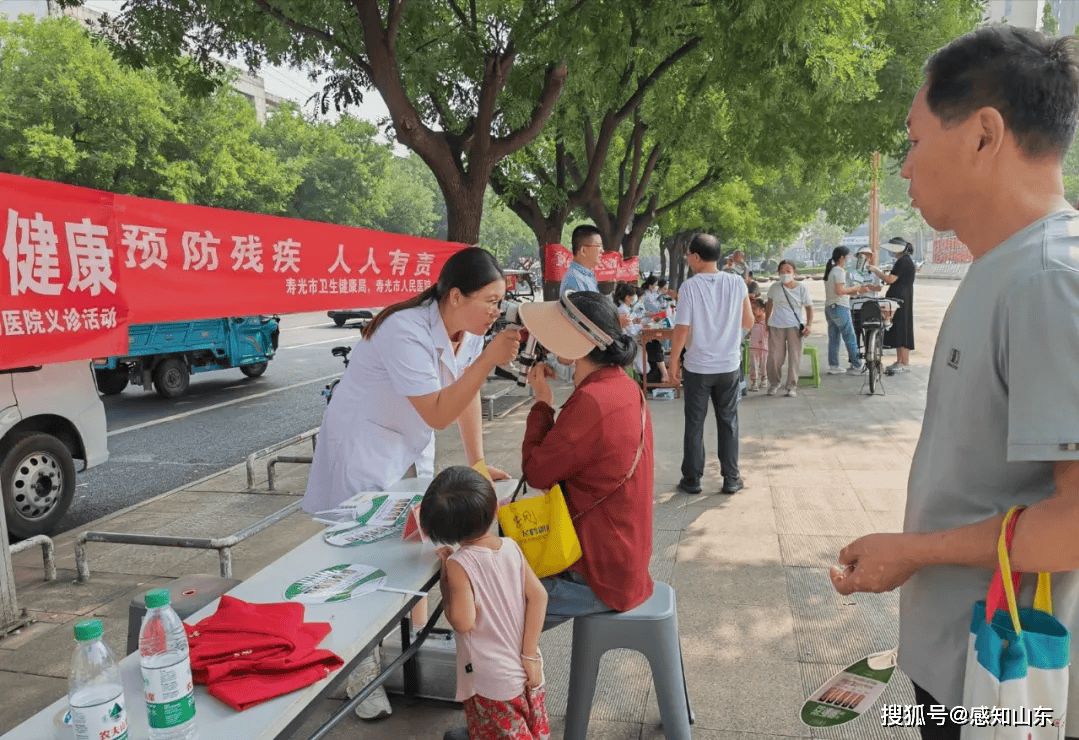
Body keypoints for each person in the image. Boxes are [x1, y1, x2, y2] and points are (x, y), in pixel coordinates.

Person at [830, 25, 1079, 740]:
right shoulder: (1004, 265)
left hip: (1006, 675)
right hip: (959, 659)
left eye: (912, 139)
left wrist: (911, 550)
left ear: (982, 134)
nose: (905, 167)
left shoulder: (1049, 279)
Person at [301, 247, 519, 720]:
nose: (495, 312)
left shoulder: (470, 330)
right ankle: (360, 677)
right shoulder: (405, 330)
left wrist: (478, 462)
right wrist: (491, 359)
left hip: (405, 442)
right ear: (456, 295)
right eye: (490, 301)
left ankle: (410, 654)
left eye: (501, 302)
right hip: (364, 444)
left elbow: (464, 395)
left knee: (413, 546)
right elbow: (440, 411)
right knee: (363, 561)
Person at [517, 291, 655, 628]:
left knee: (481, 609)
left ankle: (505, 679)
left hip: (595, 573)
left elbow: (536, 472)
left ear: (575, 342)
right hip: (623, 561)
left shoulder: (591, 401)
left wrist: (541, 404)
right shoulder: (622, 385)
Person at [421, 467, 550, 740]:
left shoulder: (459, 564)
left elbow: (462, 621)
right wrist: (528, 654)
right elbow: (539, 596)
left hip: (492, 683)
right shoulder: (511, 547)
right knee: (533, 731)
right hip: (528, 668)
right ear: (494, 511)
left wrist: (447, 582)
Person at [669, 233, 753, 495]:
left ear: (695, 257)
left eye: (688, 256)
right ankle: (731, 478)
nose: (688, 260)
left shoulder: (690, 287)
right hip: (728, 365)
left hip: (697, 367)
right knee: (728, 421)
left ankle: (692, 479)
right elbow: (748, 321)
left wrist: (673, 363)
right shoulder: (737, 283)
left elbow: (682, 328)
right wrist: (727, 335)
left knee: (694, 422)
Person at [764, 260, 813, 397]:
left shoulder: (802, 288)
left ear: (794, 272)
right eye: (782, 271)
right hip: (776, 326)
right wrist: (767, 322)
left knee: (794, 358)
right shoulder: (774, 287)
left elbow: (809, 308)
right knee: (774, 358)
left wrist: (808, 324)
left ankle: (792, 386)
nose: (785, 274)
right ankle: (774, 383)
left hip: (795, 327)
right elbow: (769, 304)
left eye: (788, 271)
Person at [869, 236, 916, 374]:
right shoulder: (905, 261)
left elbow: (890, 279)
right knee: (900, 328)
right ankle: (900, 361)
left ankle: (903, 362)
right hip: (903, 298)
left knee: (901, 329)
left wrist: (875, 270)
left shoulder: (903, 261)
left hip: (900, 300)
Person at [823, 246, 870, 375]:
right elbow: (840, 291)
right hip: (839, 307)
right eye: (848, 256)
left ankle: (833, 365)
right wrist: (856, 289)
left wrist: (852, 288)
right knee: (850, 336)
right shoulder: (839, 271)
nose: (849, 259)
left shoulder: (831, 271)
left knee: (834, 338)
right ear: (842, 257)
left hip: (830, 307)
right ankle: (857, 365)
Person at [559, 224, 603, 296]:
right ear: (583, 251)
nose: (602, 250)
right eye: (598, 246)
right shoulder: (575, 280)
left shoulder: (587, 276)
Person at [747, 299, 768, 392]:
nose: (752, 311)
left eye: (755, 308)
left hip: (764, 348)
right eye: (751, 308)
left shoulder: (767, 323)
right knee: (753, 366)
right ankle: (754, 382)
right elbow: (748, 333)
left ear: (763, 309)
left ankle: (764, 378)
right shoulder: (752, 322)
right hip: (753, 347)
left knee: (764, 366)